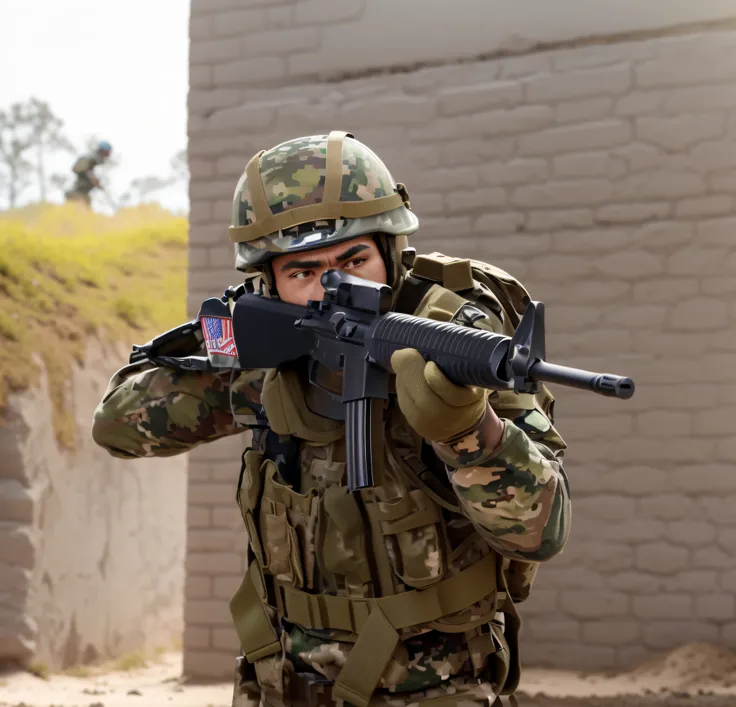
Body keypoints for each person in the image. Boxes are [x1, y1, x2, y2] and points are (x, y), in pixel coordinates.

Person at [92, 131, 571, 707]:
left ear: (390, 251)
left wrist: (469, 432)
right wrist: (245, 376)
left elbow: (540, 533)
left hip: (437, 686)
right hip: (280, 679)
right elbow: (115, 426)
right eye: (304, 272)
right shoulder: (263, 347)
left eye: (353, 260)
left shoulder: (457, 336)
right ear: (267, 283)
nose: (334, 287)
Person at [65, 140, 112, 206]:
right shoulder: (93, 158)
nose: (108, 154)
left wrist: (96, 182)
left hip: (82, 193)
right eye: (108, 152)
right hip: (78, 193)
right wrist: (93, 179)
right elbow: (86, 170)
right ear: (103, 150)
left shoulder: (94, 160)